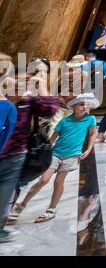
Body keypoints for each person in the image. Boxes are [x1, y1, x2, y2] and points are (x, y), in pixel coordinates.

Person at [10, 94, 96, 225]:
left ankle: (51, 209)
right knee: (43, 180)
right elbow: (52, 139)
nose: (84, 107)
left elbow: (93, 133)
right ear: (73, 107)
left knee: (58, 182)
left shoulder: (90, 119)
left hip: (72, 156)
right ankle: (21, 205)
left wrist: (89, 149)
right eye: (81, 104)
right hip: (55, 154)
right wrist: (43, 153)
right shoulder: (65, 121)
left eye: (86, 105)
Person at [0, 68, 60, 243]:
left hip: (15, 154)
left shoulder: (29, 98)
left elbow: (49, 109)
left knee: (5, 194)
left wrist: (41, 86)